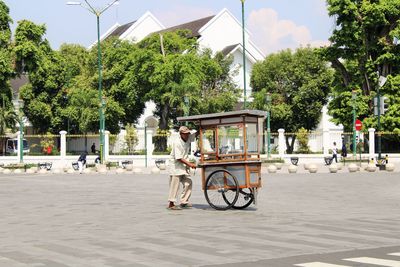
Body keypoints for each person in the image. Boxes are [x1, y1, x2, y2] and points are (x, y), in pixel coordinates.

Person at [167, 126, 198, 210]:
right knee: (175, 185)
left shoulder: (188, 139)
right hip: (176, 166)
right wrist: (190, 164)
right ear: (181, 134)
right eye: (185, 134)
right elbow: (179, 158)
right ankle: (171, 203)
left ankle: (184, 201)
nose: (187, 135)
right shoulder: (177, 142)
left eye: (188, 133)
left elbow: (195, 133)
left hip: (184, 166)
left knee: (188, 182)